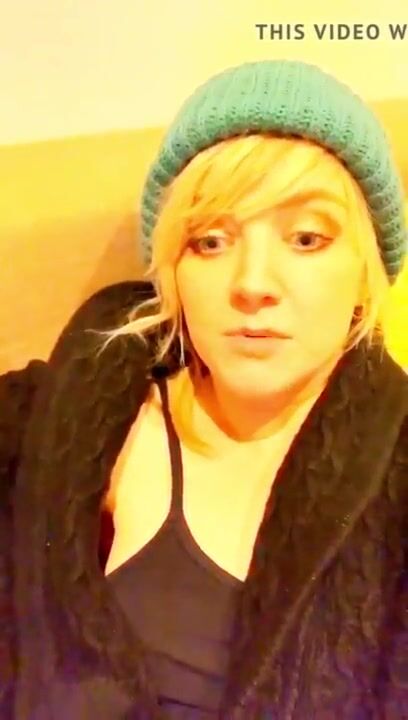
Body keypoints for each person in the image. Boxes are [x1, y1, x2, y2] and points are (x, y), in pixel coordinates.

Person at [1, 60, 407, 720]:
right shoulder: (81, 406)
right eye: (211, 241)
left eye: (306, 238)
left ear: (366, 270)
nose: (252, 283)